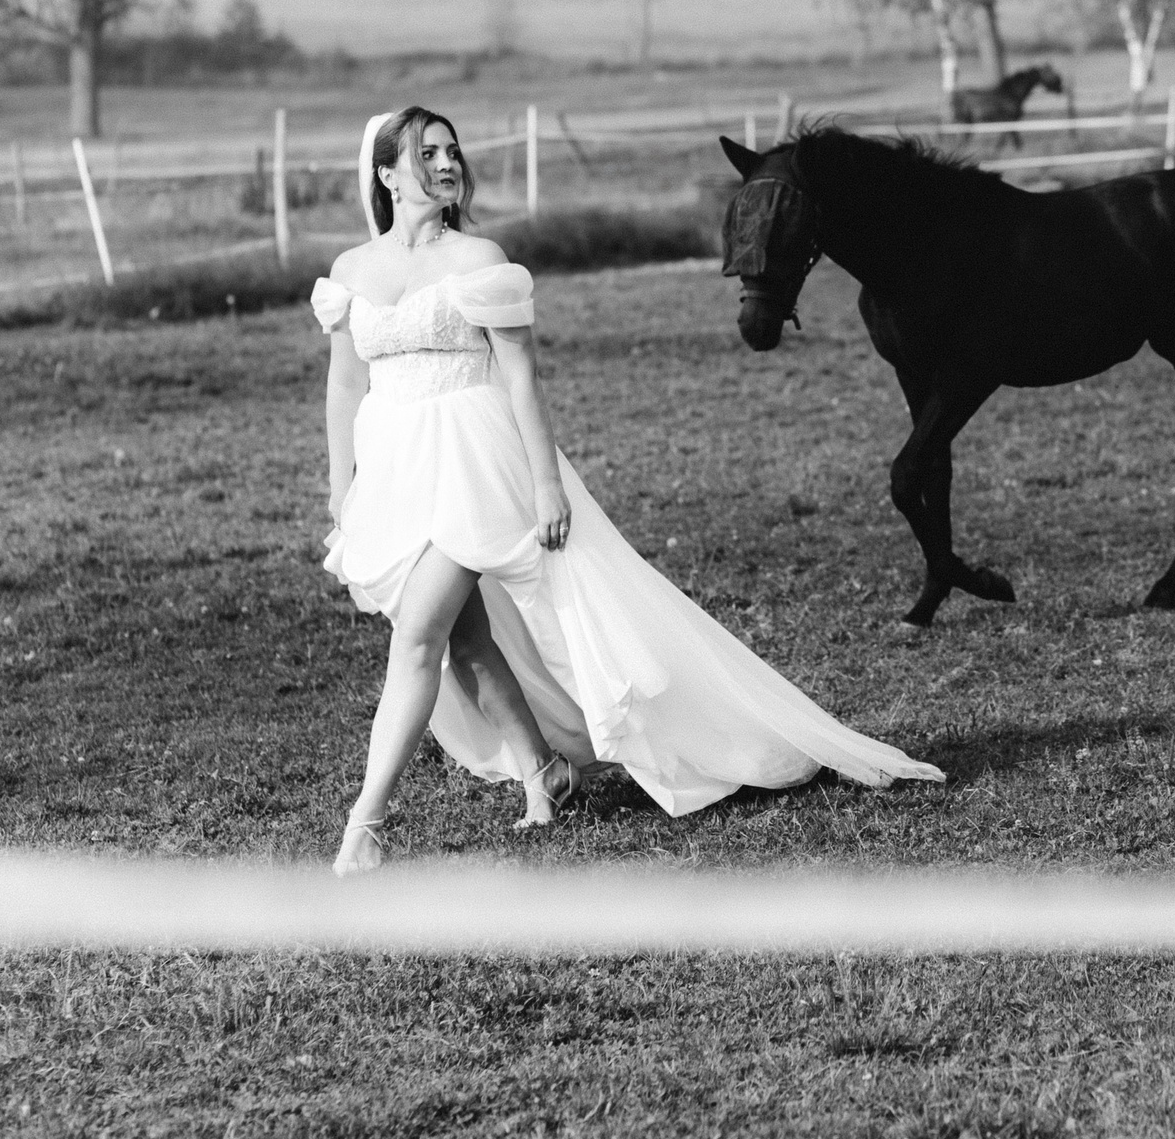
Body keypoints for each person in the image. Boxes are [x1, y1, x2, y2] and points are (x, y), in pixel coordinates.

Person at [315, 106, 942, 876]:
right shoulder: (351, 271)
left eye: (452, 150)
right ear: (385, 172)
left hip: (477, 466)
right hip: (396, 468)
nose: (447, 163)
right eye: (427, 153)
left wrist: (546, 485)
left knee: (417, 635)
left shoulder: (479, 256)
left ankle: (366, 823)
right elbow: (345, 384)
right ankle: (543, 770)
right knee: (467, 640)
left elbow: (519, 375)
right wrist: (343, 488)